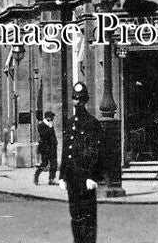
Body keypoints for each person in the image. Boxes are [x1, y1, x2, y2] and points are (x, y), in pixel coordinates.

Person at [59, 82, 102, 243]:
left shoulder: (92, 123)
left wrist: (92, 176)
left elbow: (95, 151)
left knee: (88, 215)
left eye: (80, 100)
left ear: (86, 101)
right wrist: (62, 175)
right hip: (72, 177)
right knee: (75, 214)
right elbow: (66, 150)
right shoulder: (70, 123)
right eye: (75, 99)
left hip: (85, 177)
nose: (77, 102)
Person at [34, 110, 58, 185]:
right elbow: (43, 135)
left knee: (54, 164)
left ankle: (51, 179)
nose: (52, 118)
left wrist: (55, 142)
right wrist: (50, 128)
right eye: (51, 117)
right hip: (45, 148)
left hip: (52, 148)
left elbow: (53, 136)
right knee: (44, 164)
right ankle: (36, 176)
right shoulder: (41, 125)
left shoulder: (50, 125)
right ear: (47, 117)